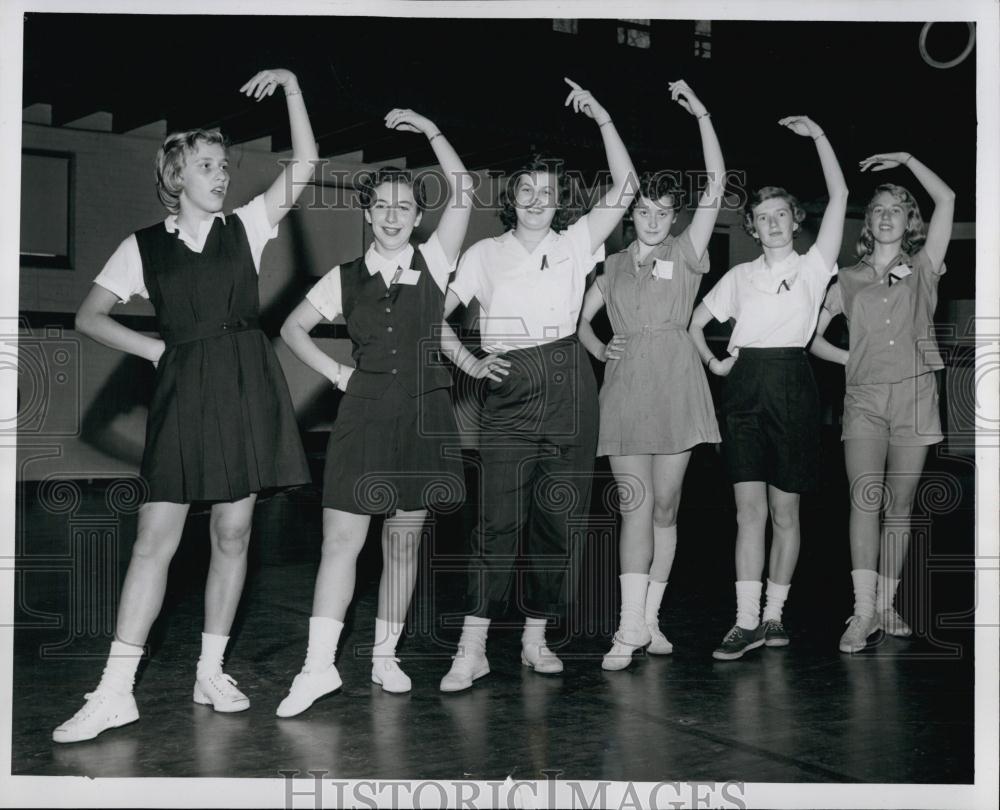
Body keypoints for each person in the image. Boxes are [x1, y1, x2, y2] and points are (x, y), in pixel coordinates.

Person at [54, 69, 317, 743]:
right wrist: (151, 351)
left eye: (225, 165)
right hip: (183, 388)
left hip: (245, 384)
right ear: (176, 176)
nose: (221, 175)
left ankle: (211, 669)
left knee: (234, 535)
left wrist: (290, 86)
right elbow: (90, 315)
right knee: (154, 540)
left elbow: (308, 162)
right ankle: (116, 690)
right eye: (206, 166)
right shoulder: (140, 247)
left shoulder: (248, 226)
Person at [275, 110, 495, 715]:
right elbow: (292, 329)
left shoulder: (436, 262)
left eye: (405, 206)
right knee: (341, 543)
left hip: (424, 420)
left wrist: (430, 128)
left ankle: (384, 656)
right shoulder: (343, 278)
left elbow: (466, 187)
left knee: (402, 545)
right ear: (368, 214)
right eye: (383, 206)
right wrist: (337, 373)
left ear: (418, 217)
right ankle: (317, 667)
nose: (394, 214)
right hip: (363, 418)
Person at [438, 78, 637, 692]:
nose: (533, 199)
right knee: (497, 522)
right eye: (525, 189)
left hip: (569, 381)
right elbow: (438, 323)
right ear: (513, 197)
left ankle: (535, 638)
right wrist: (471, 366)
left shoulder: (577, 245)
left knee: (558, 519)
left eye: (545, 192)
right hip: (510, 387)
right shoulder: (483, 255)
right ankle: (472, 648)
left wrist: (604, 116)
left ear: (559, 202)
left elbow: (626, 187)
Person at [576, 80, 725, 670]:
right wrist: (600, 347)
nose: (655, 219)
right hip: (627, 392)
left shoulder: (687, 254)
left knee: (666, 508)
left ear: (673, 218)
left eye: (665, 212)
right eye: (644, 210)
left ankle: (652, 618)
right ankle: (627, 626)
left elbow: (716, 183)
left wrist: (702, 113)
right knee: (634, 505)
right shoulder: (609, 267)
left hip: (680, 389)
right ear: (630, 213)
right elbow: (579, 322)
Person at [688, 115, 848, 661]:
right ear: (752, 228)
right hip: (744, 390)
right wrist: (716, 363)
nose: (773, 223)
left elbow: (842, 191)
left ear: (795, 221)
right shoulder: (739, 278)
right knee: (747, 512)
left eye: (782, 214)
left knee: (786, 514)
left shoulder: (814, 267)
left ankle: (775, 618)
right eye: (763, 217)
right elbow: (694, 325)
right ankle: (743, 621)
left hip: (794, 386)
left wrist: (819, 137)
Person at [809, 153, 954, 653]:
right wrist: (854, 358)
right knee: (864, 500)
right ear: (867, 222)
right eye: (879, 209)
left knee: (900, 506)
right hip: (865, 399)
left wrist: (911, 159)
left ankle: (887, 604)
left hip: (915, 397)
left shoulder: (924, 266)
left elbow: (948, 198)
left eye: (898, 209)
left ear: (909, 221)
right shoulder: (846, 279)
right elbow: (813, 338)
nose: (888, 215)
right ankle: (862, 610)